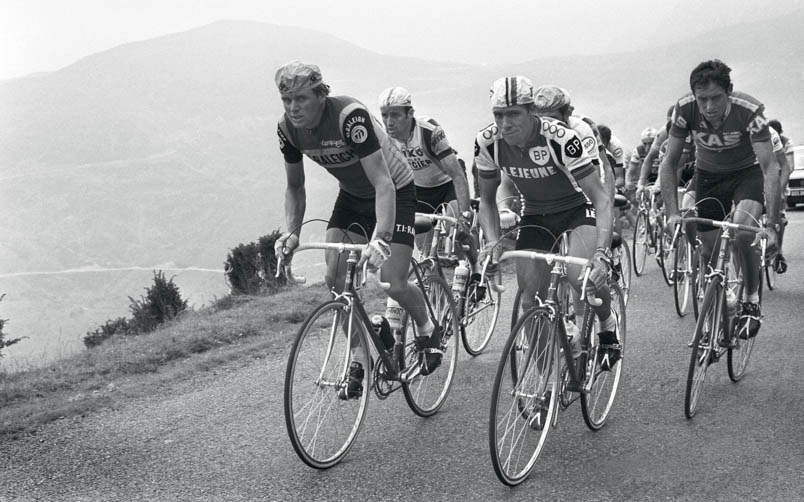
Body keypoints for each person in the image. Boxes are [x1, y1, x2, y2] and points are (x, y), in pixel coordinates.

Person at [272, 61, 444, 399]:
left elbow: (383, 183)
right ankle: (360, 357)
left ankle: (428, 328)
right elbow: (295, 187)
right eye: (286, 100)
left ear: (321, 95)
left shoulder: (349, 117)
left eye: (302, 98)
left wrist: (379, 238)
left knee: (391, 281)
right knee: (335, 280)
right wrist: (292, 232)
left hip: (395, 191)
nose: (293, 108)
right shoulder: (287, 130)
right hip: (352, 197)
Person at [475, 76, 619, 374]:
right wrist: (491, 244)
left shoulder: (561, 137)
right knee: (531, 303)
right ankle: (547, 383)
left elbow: (601, 199)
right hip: (536, 215)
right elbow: (486, 200)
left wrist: (602, 254)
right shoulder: (487, 142)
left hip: (577, 209)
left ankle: (607, 321)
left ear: (531, 112)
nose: (505, 124)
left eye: (513, 114)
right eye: (499, 115)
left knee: (582, 278)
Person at [660, 59, 781, 340]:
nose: (709, 107)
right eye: (702, 99)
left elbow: (770, 168)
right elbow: (670, 163)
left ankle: (751, 299)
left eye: (716, 98)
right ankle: (719, 288)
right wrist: (672, 213)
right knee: (708, 251)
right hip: (709, 177)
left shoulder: (750, 111)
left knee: (742, 231)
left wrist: (772, 224)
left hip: (747, 175)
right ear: (694, 96)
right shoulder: (684, 109)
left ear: (730, 92)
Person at [377, 87, 477, 272]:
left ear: (410, 114)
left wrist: (465, 214)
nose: (389, 122)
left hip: (447, 183)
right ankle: (436, 286)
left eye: (395, 115)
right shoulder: (386, 139)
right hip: (419, 190)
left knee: (457, 230)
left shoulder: (428, 131)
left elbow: (456, 174)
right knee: (425, 250)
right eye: (384, 115)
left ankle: (475, 268)